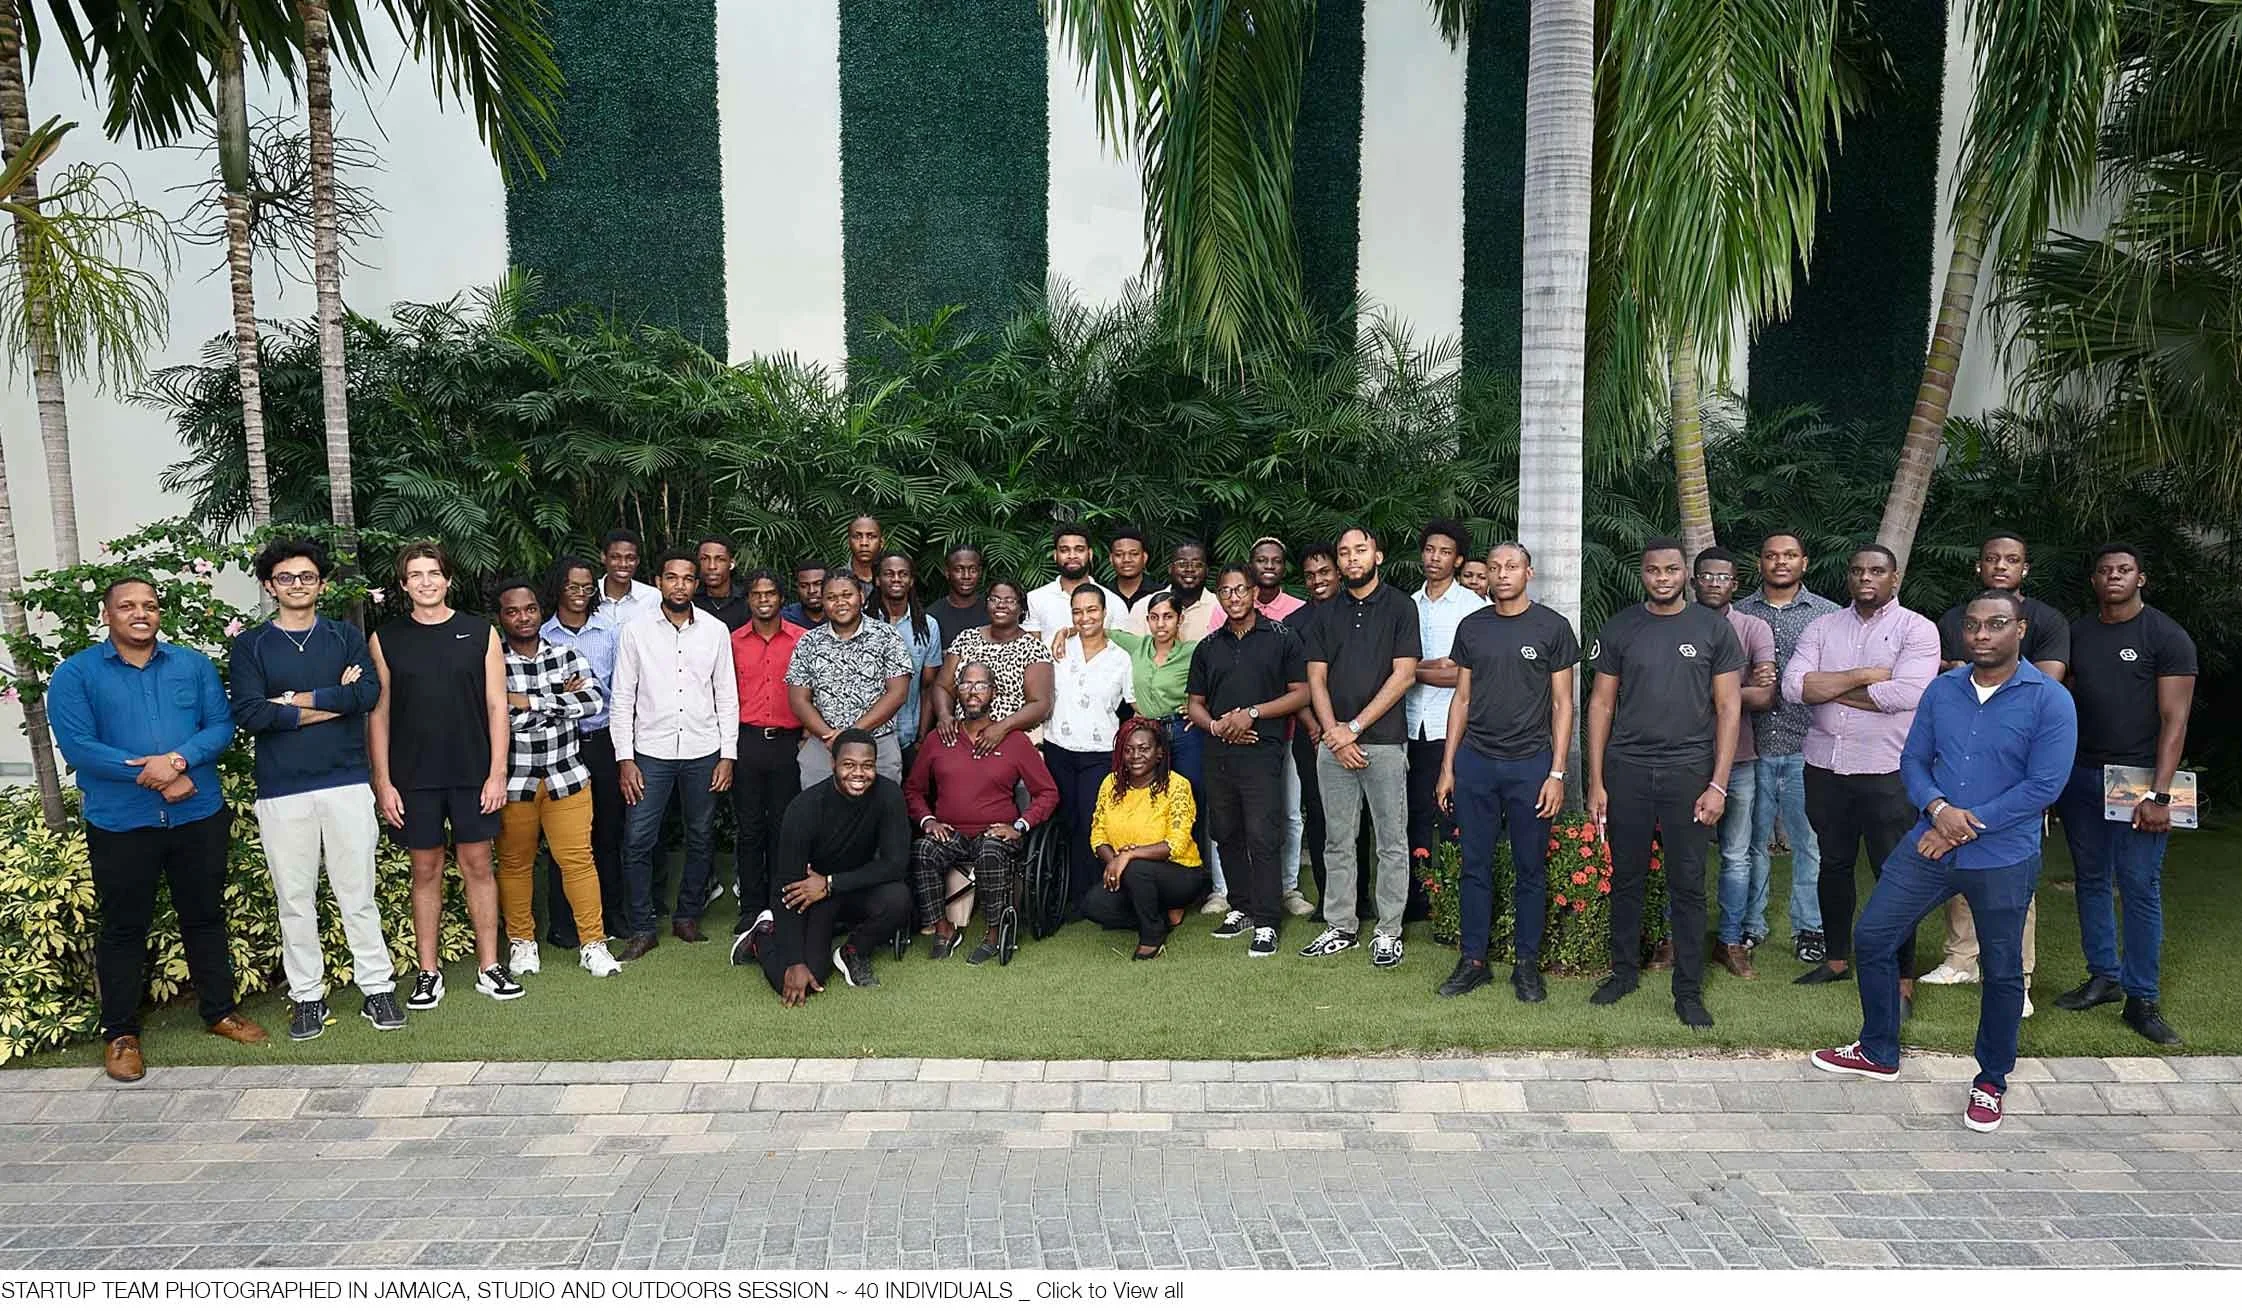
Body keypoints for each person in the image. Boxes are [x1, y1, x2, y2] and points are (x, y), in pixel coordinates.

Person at [1811, 591, 2076, 1133]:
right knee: (1874, 936)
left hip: (2001, 855)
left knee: (2002, 971)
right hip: (1929, 840)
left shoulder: (2049, 699)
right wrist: (1936, 809)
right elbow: (1912, 759)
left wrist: (1962, 824)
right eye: (1973, 625)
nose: (1981, 634)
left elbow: (2045, 785)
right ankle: (1879, 1049)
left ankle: (1990, 1081)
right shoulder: (1941, 691)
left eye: (1996, 624)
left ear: (2019, 630)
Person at [50, 577, 263, 1081]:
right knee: (124, 927)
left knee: (205, 916)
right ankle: (120, 1033)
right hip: (122, 823)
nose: (139, 613)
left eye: (148, 605)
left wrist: (176, 760)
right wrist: (157, 776)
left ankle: (219, 1012)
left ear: (159, 613)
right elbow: (79, 748)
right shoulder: (76, 674)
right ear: (107, 615)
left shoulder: (191, 665)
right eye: (127, 606)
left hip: (197, 815)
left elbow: (219, 727)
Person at [228, 539, 400, 1040]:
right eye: (286, 577)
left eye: (306, 577)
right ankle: (307, 997)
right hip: (282, 791)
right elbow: (251, 714)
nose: (297, 585)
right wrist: (334, 700)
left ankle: (377, 988)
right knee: (295, 898)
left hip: (346, 782)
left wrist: (292, 701)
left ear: (321, 585)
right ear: (269, 585)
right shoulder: (252, 645)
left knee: (357, 893)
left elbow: (366, 694)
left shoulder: (345, 636)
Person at [1585, 537, 1743, 1029]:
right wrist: (1596, 780)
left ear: (1686, 576)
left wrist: (1718, 784)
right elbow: (1601, 705)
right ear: (1643, 574)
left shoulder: (1712, 629)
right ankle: (1623, 972)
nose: (1662, 578)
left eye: (1672, 570)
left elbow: (1728, 708)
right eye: (1653, 571)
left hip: (1689, 772)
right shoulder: (1620, 628)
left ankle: (1689, 990)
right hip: (1628, 770)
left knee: (1688, 884)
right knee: (1626, 877)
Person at [2052, 544, 2196, 1046]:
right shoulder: (2078, 633)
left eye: (2124, 569)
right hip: (2081, 773)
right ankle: (2104, 977)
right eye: (2105, 570)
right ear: (2094, 580)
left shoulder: (2166, 635)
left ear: (2142, 578)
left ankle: (2142, 998)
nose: (2114, 576)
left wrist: (2159, 795)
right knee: (2091, 879)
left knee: (2139, 885)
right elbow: (2058, 700)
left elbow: (2174, 720)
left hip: (2140, 780)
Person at [1786, 546, 1940, 1008]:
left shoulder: (1917, 629)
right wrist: (1864, 676)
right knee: (1832, 865)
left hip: (1887, 772)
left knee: (1894, 873)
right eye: (1857, 571)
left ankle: (1901, 977)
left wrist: (1829, 688)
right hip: (1825, 769)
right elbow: (1795, 688)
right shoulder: (1822, 626)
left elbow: (1908, 694)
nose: (1865, 578)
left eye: (1876, 570)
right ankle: (1835, 960)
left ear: (1895, 577)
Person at [368, 542, 516, 1008]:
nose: (427, 582)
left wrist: (497, 773)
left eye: (434, 573)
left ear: (448, 579)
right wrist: (383, 781)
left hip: (473, 772)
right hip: (414, 776)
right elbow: (379, 714)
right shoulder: (385, 639)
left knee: (478, 866)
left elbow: (498, 707)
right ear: (403, 585)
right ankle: (427, 972)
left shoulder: (480, 633)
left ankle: (490, 967)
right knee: (425, 869)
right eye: (416, 575)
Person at [1922, 534, 2069, 995]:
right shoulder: (1953, 618)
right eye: (1991, 559)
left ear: (2025, 568)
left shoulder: (2046, 620)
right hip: (1960, 765)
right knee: (1959, 861)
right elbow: (1944, 681)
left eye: (2011, 560)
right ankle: (1962, 958)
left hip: (2015, 771)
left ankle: (2017, 978)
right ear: (1978, 567)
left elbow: (2043, 682)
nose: (2000, 566)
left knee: (2011, 883)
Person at [1433, 541, 1577, 1001]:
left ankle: (1527, 965)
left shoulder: (1552, 627)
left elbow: (1563, 704)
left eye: (1511, 566)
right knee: (1475, 864)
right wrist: (1448, 767)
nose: (1502, 574)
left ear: (1528, 573)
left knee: (1529, 867)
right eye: (1494, 567)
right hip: (1476, 762)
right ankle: (1473, 960)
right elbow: (1462, 698)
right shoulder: (1472, 627)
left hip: (1530, 764)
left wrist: (1557, 773)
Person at [1298, 527, 1421, 966]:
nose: (1352, 558)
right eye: (1344, 552)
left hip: (1384, 744)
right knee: (1337, 840)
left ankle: (1389, 930)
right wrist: (1335, 734)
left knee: (1391, 840)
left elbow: (1404, 675)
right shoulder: (1325, 613)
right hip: (1334, 747)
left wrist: (1353, 727)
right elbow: (1316, 678)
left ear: (1378, 555)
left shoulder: (1401, 607)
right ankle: (1341, 925)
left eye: (1360, 550)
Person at [491, 580, 622, 980]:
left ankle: (593, 945)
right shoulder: (492, 661)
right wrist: (557, 704)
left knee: (579, 862)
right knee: (515, 865)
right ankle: (522, 943)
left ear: (539, 610)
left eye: (529, 608)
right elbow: (492, 716)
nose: (523, 617)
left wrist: (526, 702)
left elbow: (593, 702)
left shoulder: (566, 654)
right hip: (514, 783)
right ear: (501, 617)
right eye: (512, 611)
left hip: (568, 777)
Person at [612, 548, 739, 958]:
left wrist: (728, 755)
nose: (679, 585)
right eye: (671, 577)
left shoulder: (716, 631)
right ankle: (642, 927)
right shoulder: (635, 630)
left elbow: (727, 696)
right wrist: (625, 758)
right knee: (638, 839)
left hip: (704, 749)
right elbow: (621, 698)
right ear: (659, 582)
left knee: (701, 837)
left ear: (696, 585)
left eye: (687, 578)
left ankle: (687, 917)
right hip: (649, 751)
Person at [1190, 565, 1310, 957]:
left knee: (1262, 834)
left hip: (1262, 750)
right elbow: (1195, 704)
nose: (1234, 597)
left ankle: (1267, 920)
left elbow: (1301, 694)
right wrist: (1217, 726)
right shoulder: (1208, 646)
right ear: (1220, 597)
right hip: (1218, 751)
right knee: (1225, 831)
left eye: (1241, 589)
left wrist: (1251, 714)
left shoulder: (1282, 638)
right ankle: (1240, 905)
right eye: (1226, 591)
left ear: (1254, 592)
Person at [906, 663, 1061, 963]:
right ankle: (943, 930)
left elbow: (1048, 792)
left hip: (995, 833)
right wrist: (929, 820)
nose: (973, 691)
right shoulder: (940, 739)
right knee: (923, 849)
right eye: (965, 685)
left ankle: (994, 934)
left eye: (981, 685)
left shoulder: (1014, 741)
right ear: (957, 692)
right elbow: (913, 789)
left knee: (991, 848)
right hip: (951, 832)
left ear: (994, 692)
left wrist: (1020, 825)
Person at [1735, 532, 1842, 963]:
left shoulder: (1829, 617)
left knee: (1808, 844)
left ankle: (1809, 928)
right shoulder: (1738, 614)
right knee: (1750, 844)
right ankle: (1749, 925)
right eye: (1771, 555)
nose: (1781, 562)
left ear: (1805, 562)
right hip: (1752, 747)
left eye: (1790, 555)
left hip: (1807, 746)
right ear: (1759, 562)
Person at [757, 730, 915, 1003]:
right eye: (849, 765)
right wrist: (794, 960)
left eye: (867, 765)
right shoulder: (804, 809)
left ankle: (853, 951)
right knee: (805, 976)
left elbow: (896, 864)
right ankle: (761, 936)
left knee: (898, 898)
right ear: (833, 764)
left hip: (849, 887)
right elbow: (787, 887)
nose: (858, 773)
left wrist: (830, 883)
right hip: (813, 897)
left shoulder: (889, 795)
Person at [1692, 547, 1779, 978]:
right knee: (1681, 853)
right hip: (1683, 759)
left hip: (1739, 760)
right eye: (1705, 576)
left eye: (1722, 577)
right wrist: (1735, 689)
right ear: (1694, 582)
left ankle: (1730, 940)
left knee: (1737, 854)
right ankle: (1678, 937)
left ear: (1735, 584)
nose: (1713, 583)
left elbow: (1764, 696)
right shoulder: (1676, 624)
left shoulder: (1752, 627)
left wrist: (1694, 692)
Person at [541, 557, 629, 941]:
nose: (579, 594)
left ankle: (612, 917)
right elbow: (536, 696)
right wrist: (562, 694)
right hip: (559, 747)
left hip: (602, 742)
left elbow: (621, 691)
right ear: (557, 588)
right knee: (565, 840)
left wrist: (583, 690)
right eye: (572, 587)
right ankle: (563, 925)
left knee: (608, 834)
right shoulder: (543, 635)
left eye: (586, 587)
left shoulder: (609, 633)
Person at [726, 570, 806, 960]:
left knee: (784, 827)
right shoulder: (733, 642)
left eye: (770, 593)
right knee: (750, 828)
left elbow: (813, 688)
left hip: (789, 743)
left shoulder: (802, 640)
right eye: (756, 594)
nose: (763, 600)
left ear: (780, 598)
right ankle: (750, 908)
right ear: (749, 600)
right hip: (747, 741)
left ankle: (780, 902)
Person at [1080, 718, 1207, 959]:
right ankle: (1163, 914)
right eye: (1128, 750)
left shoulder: (1177, 785)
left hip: (1179, 873)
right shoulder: (1111, 784)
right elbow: (1098, 834)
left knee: (1137, 868)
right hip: (1129, 873)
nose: (1135, 755)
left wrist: (1128, 855)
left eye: (1144, 748)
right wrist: (1115, 862)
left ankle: (1152, 935)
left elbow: (1176, 844)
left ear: (1159, 753)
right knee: (1094, 905)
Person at [1406, 519, 1489, 887]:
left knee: (1453, 818)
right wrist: (1434, 667)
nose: (1435, 557)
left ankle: (1453, 896)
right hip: (1409, 725)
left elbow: (1465, 674)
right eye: (1429, 550)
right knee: (1414, 816)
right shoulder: (1408, 605)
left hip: (1453, 726)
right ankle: (1419, 897)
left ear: (1458, 561)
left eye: (1444, 552)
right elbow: (1389, 666)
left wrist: (1410, 671)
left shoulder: (1472, 607)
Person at [1043, 584, 1133, 909]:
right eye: (1078, 611)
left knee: (1091, 821)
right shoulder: (1057, 650)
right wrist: (1063, 632)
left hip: (1100, 753)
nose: (1085, 617)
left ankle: (1090, 894)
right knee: (1065, 818)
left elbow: (1135, 706)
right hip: (1059, 748)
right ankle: (1062, 892)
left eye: (1092, 610)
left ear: (1104, 612)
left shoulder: (1121, 658)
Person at [785, 569, 913, 785]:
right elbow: (798, 700)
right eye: (832, 598)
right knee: (819, 813)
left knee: (879, 812)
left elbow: (898, 693)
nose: (840, 602)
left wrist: (852, 734)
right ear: (823, 603)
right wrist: (830, 736)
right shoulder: (808, 642)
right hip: (823, 744)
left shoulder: (887, 636)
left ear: (861, 597)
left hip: (877, 744)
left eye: (847, 595)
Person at [1250, 536, 1314, 917]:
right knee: (1246, 815)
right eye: (1261, 559)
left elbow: (1302, 678)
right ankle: (1238, 890)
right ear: (1251, 564)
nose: (1269, 565)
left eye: (1276, 559)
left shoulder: (1298, 611)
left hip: (1288, 730)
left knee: (1289, 813)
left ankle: (1288, 887)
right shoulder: (1234, 600)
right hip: (1239, 733)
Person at [933, 579, 1055, 748]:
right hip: (964, 738)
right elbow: (943, 686)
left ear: (1021, 608)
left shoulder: (1033, 648)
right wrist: (944, 716)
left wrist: (1001, 728)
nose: (1001, 605)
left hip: (1014, 741)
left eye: (1010, 601)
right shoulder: (966, 638)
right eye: (994, 599)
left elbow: (1041, 704)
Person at [1291, 543, 1344, 915]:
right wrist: (1314, 725)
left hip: (1356, 729)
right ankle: (1328, 899)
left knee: (1357, 819)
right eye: (1310, 575)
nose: (1318, 580)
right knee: (1320, 815)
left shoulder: (1357, 613)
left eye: (1324, 572)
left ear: (1338, 573)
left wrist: (1344, 728)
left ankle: (1359, 897)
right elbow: (1293, 682)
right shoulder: (1295, 622)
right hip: (1311, 733)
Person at [871, 551, 946, 763]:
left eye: (903, 574)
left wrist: (921, 738)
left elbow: (928, 687)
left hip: (907, 734)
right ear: (877, 579)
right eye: (889, 573)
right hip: (866, 733)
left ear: (911, 580)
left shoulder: (927, 626)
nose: (896, 579)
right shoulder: (862, 623)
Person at [1027, 523, 1123, 639]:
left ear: (1090, 554)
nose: (1072, 556)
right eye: (1064, 550)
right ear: (1055, 555)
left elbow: (1120, 644)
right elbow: (1033, 648)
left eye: (1079, 550)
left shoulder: (1113, 601)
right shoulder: (1036, 598)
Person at [1138, 540, 1219, 640]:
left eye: (1197, 564)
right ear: (1170, 569)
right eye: (1182, 564)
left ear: (1207, 571)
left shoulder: (1220, 608)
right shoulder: (1143, 606)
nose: (1189, 569)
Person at [931, 545, 991, 652]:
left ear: (980, 572)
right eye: (959, 569)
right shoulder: (933, 616)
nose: (966, 576)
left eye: (973, 570)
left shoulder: (993, 611)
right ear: (947, 572)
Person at [598, 528, 662, 625]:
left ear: (638, 561)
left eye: (630, 558)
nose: (623, 564)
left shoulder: (652, 597)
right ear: (603, 557)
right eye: (615, 557)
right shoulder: (589, 593)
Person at [693, 534, 749, 631]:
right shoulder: (690, 600)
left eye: (720, 559)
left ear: (731, 564)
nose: (711, 566)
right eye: (704, 559)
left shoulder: (747, 600)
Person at [1108, 526, 1157, 627]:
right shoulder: (1103, 594)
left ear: (1144, 558)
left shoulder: (1158, 593)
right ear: (1111, 559)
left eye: (1134, 554)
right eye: (1119, 554)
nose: (1126, 559)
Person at [779, 560, 828, 629]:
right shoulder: (785, 618)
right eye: (804, 585)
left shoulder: (840, 615)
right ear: (797, 588)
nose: (811, 591)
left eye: (818, 584)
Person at [844, 514, 884, 593]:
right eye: (857, 537)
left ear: (881, 542)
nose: (864, 543)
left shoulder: (892, 580)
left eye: (871, 537)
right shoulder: (836, 579)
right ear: (848, 542)